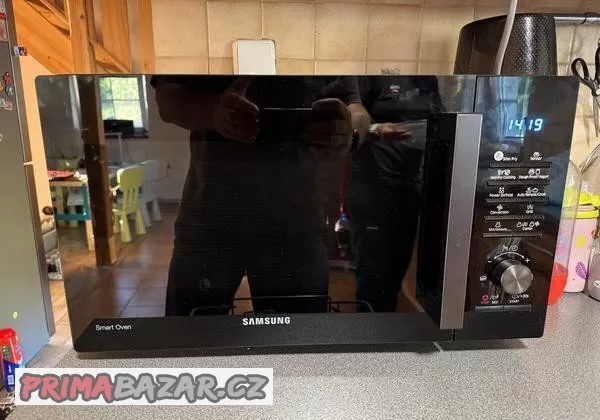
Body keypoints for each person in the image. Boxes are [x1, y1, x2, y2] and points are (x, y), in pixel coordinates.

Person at [151, 75, 370, 316]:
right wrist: (213, 112)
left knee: (192, 332)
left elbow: (356, 109)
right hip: (219, 219)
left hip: (290, 223)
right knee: (193, 335)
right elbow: (166, 99)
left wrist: (351, 131)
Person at [347, 76, 445, 312]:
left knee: (396, 269)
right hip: (372, 184)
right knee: (373, 271)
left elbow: (439, 117)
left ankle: (385, 326)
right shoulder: (372, 76)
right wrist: (376, 130)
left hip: (411, 184)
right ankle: (369, 328)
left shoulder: (427, 80)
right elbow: (349, 121)